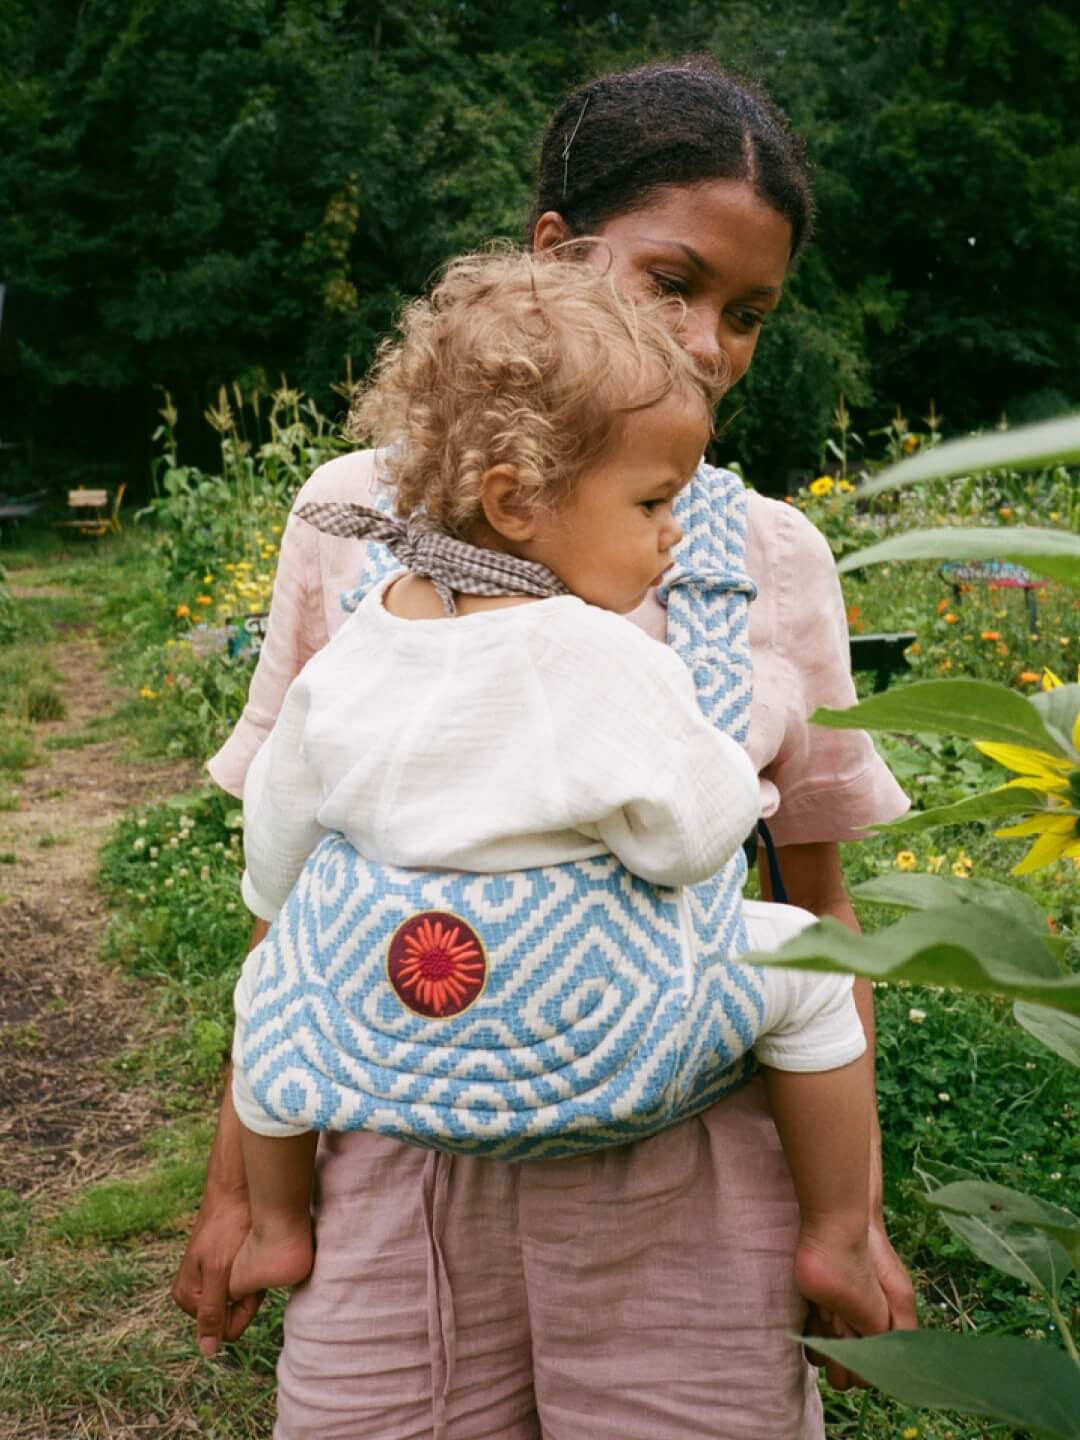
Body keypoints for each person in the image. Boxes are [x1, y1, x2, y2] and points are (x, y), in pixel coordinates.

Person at [174, 55, 916, 1439]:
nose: (708, 344)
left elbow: (813, 907)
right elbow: (291, 889)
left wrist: (844, 1217)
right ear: (553, 256)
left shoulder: (769, 556)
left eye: (749, 314)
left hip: (683, 1187)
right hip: (394, 1161)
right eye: (671, 283)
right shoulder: (352, 521)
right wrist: (241, 1193)